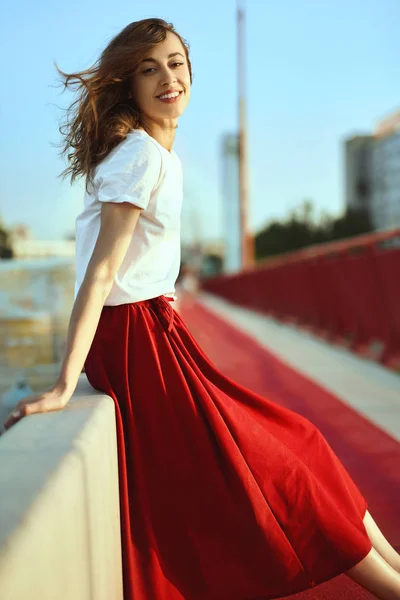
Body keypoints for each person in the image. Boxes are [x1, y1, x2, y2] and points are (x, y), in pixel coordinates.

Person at [3, 17, 400, 600]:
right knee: (282, 474)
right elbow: (103, 271)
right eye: (149, 69)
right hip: (139, 340)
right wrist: (66, 380)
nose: (168, 77)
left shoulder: (151, 153)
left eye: (176, 63)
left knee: (303, 444)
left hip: (156, 334)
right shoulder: (140, 155)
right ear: (129, 87)